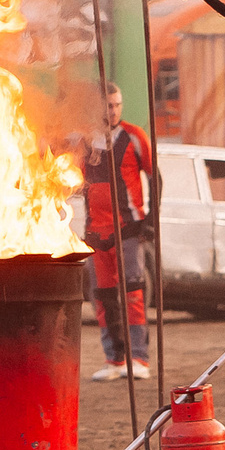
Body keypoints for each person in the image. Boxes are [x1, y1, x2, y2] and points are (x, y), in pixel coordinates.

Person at [76, 84, 154, 381]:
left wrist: (150, 222)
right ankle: (114, 359)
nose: (113, 111)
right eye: (108, 105)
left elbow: (154, 177)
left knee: (133, 294)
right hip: (96, 233)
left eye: (117, 105)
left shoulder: (134, 136)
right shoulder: (85, 140)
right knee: (103, 298)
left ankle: (139, 358)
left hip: (128, 229)